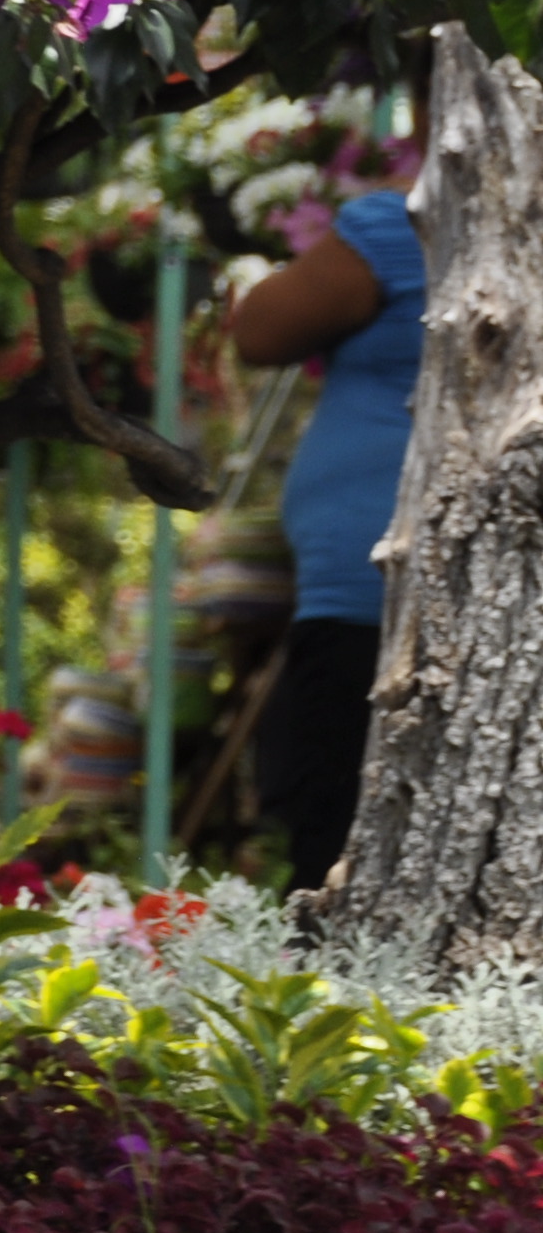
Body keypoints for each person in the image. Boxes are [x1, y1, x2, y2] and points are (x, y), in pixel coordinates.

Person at [227, 179, 428, 889]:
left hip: (370, 611)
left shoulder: (414, 221)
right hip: (379, 600)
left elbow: (258, 329)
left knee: (338, 849)